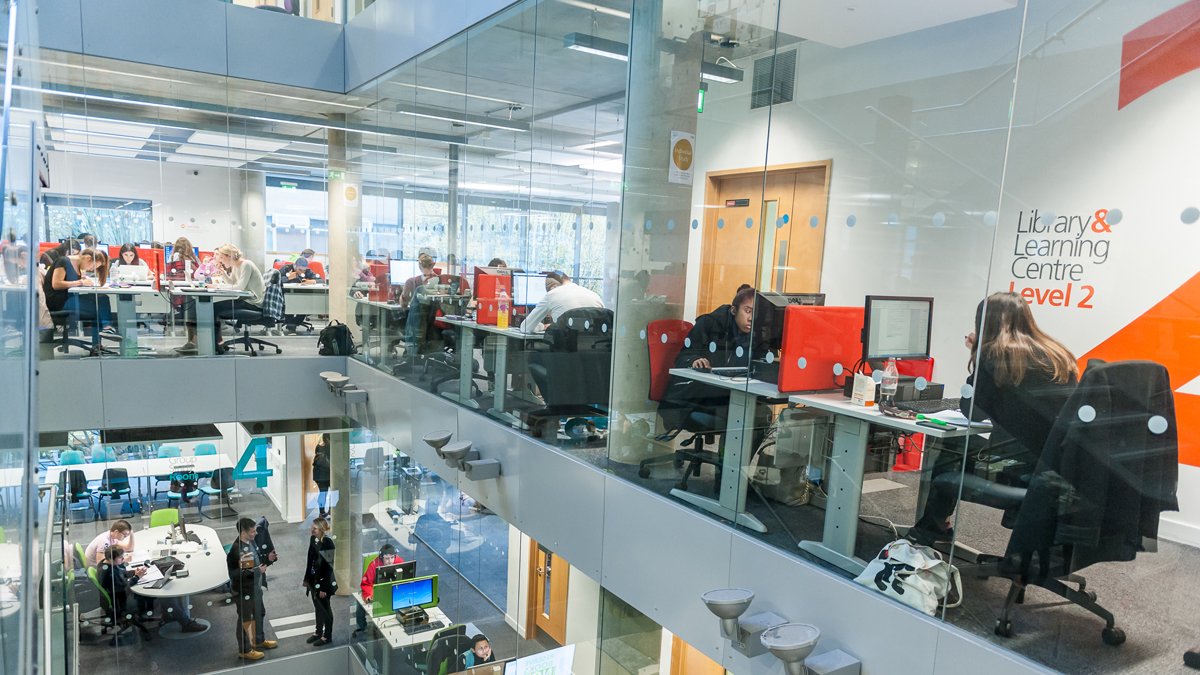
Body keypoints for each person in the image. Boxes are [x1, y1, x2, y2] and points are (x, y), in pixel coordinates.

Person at [911, 291, 1079, 543]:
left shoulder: (995, 355)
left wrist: (978, 352)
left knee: (953, 445)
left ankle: (933, 526)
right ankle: (933, 526)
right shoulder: (1056, 353)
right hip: (1055, 467)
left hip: (1017, 467)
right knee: (964, 447)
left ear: (985, 324)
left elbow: (972, 410)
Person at [178, 243, 264, 354]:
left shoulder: (246, 265)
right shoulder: (236, 266)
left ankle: (216, 343)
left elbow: (239, 287)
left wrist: (217, 286)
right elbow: (232, 283)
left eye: (222, 258)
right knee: (213, 308)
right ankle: (217, 343)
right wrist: (223, 273)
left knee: (213, 309)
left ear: (229, 256)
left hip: (252, 302)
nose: (221, 261)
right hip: (244, 299)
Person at [43, 247, 116, 351]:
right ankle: (104, 331)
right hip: (59, 301)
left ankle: (100, 340)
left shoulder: (78, 267)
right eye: (93, 266)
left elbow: (71, 282)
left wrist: (83, 280)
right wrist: (81, 282)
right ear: (87, 258)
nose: (91, 269)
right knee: (98, 307)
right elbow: (56, 284)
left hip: (69, 298)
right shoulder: (63, 261)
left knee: (102, 298)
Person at [227, 517, 278, 660]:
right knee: (245, 619)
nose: (255, 533)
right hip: (244, 591)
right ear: (243, 532)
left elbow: (256, 563)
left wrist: (268, 559)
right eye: (252, 531)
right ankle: (244, 650)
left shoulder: (250, 543)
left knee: (259, 613)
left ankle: (259, 641)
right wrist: (257, 572)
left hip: (255, 588)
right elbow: (238, 574)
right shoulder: (237, 550)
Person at [96, 546, 151, 645]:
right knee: (148, 595)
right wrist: (137, 577)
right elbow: (125, 588)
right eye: (120, 557)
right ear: (111, 558)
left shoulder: (105, 564)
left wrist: (134, 572)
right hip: (119, 602)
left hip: (115, 597)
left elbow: (121, 572)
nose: (123, 559)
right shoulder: (109, 572)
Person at [520, 271, 605, 334]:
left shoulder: (552, 294)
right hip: (595, 353)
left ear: (553, 287)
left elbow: (526, 327)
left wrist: (543, 326)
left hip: (565, 353)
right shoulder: (595, 296)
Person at [354, 543, 405, 635]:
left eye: (392, 557)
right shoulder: (374, 565)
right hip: (376, 590)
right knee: (360, 606)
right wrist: (369, 595)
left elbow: (406, 579)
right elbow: (367, 583)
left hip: (394, 591)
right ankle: (362, 629)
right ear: (381, 558)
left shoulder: (399, 562)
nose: (390, 561)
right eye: (387, 558)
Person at [303, 517, 337, 646]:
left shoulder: (328, 543)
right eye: (312, 528)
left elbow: (329, 567)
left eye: (315, 529)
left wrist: (323, 588)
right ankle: (318, 632)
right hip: (313, 580)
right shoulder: (314, 539)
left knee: (326, 609)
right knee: (318, 607)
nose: (312, 530)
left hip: (324, 583)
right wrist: (307, 578)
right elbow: (310, 560)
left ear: (322, 530)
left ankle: (327, 636)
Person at [312, 435, 331, 518]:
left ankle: (323, 512)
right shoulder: (328, 447)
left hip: (319, 474)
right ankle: (326, 512)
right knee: (326, 493)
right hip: (324, 475)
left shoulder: (318, 446)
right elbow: (326, 463)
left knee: (323, 493)